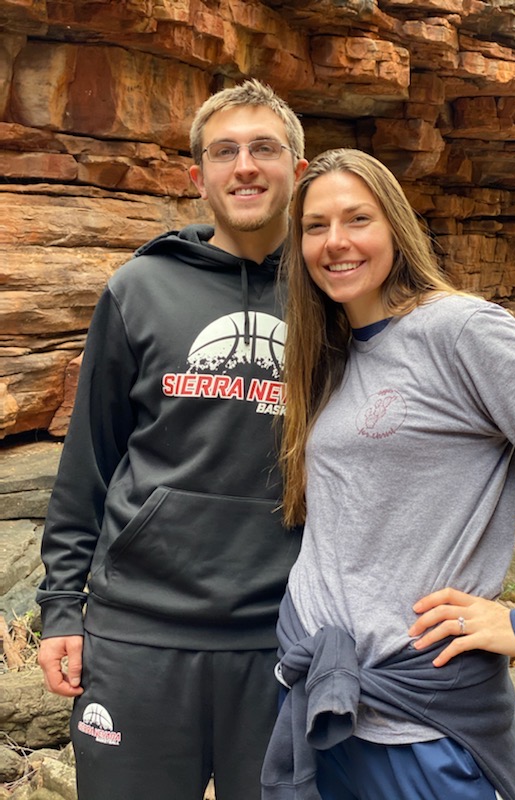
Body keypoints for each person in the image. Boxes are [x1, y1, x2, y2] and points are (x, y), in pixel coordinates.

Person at [261, 148, 515, 800]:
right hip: (318, 691)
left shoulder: (459, 330)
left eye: (357, 218)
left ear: (394, 224)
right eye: (315, 225)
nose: (336, 242)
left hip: (423, 712)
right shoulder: (327, 353)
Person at [36, 79, 308, 800]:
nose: (244, 166)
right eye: (225, 152)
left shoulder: (334, 298)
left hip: (284, 640)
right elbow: (89, 461)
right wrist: (62, 607)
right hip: (139, 637)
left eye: (264, 149)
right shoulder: (139, 288)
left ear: (298, 171)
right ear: (199, 178)